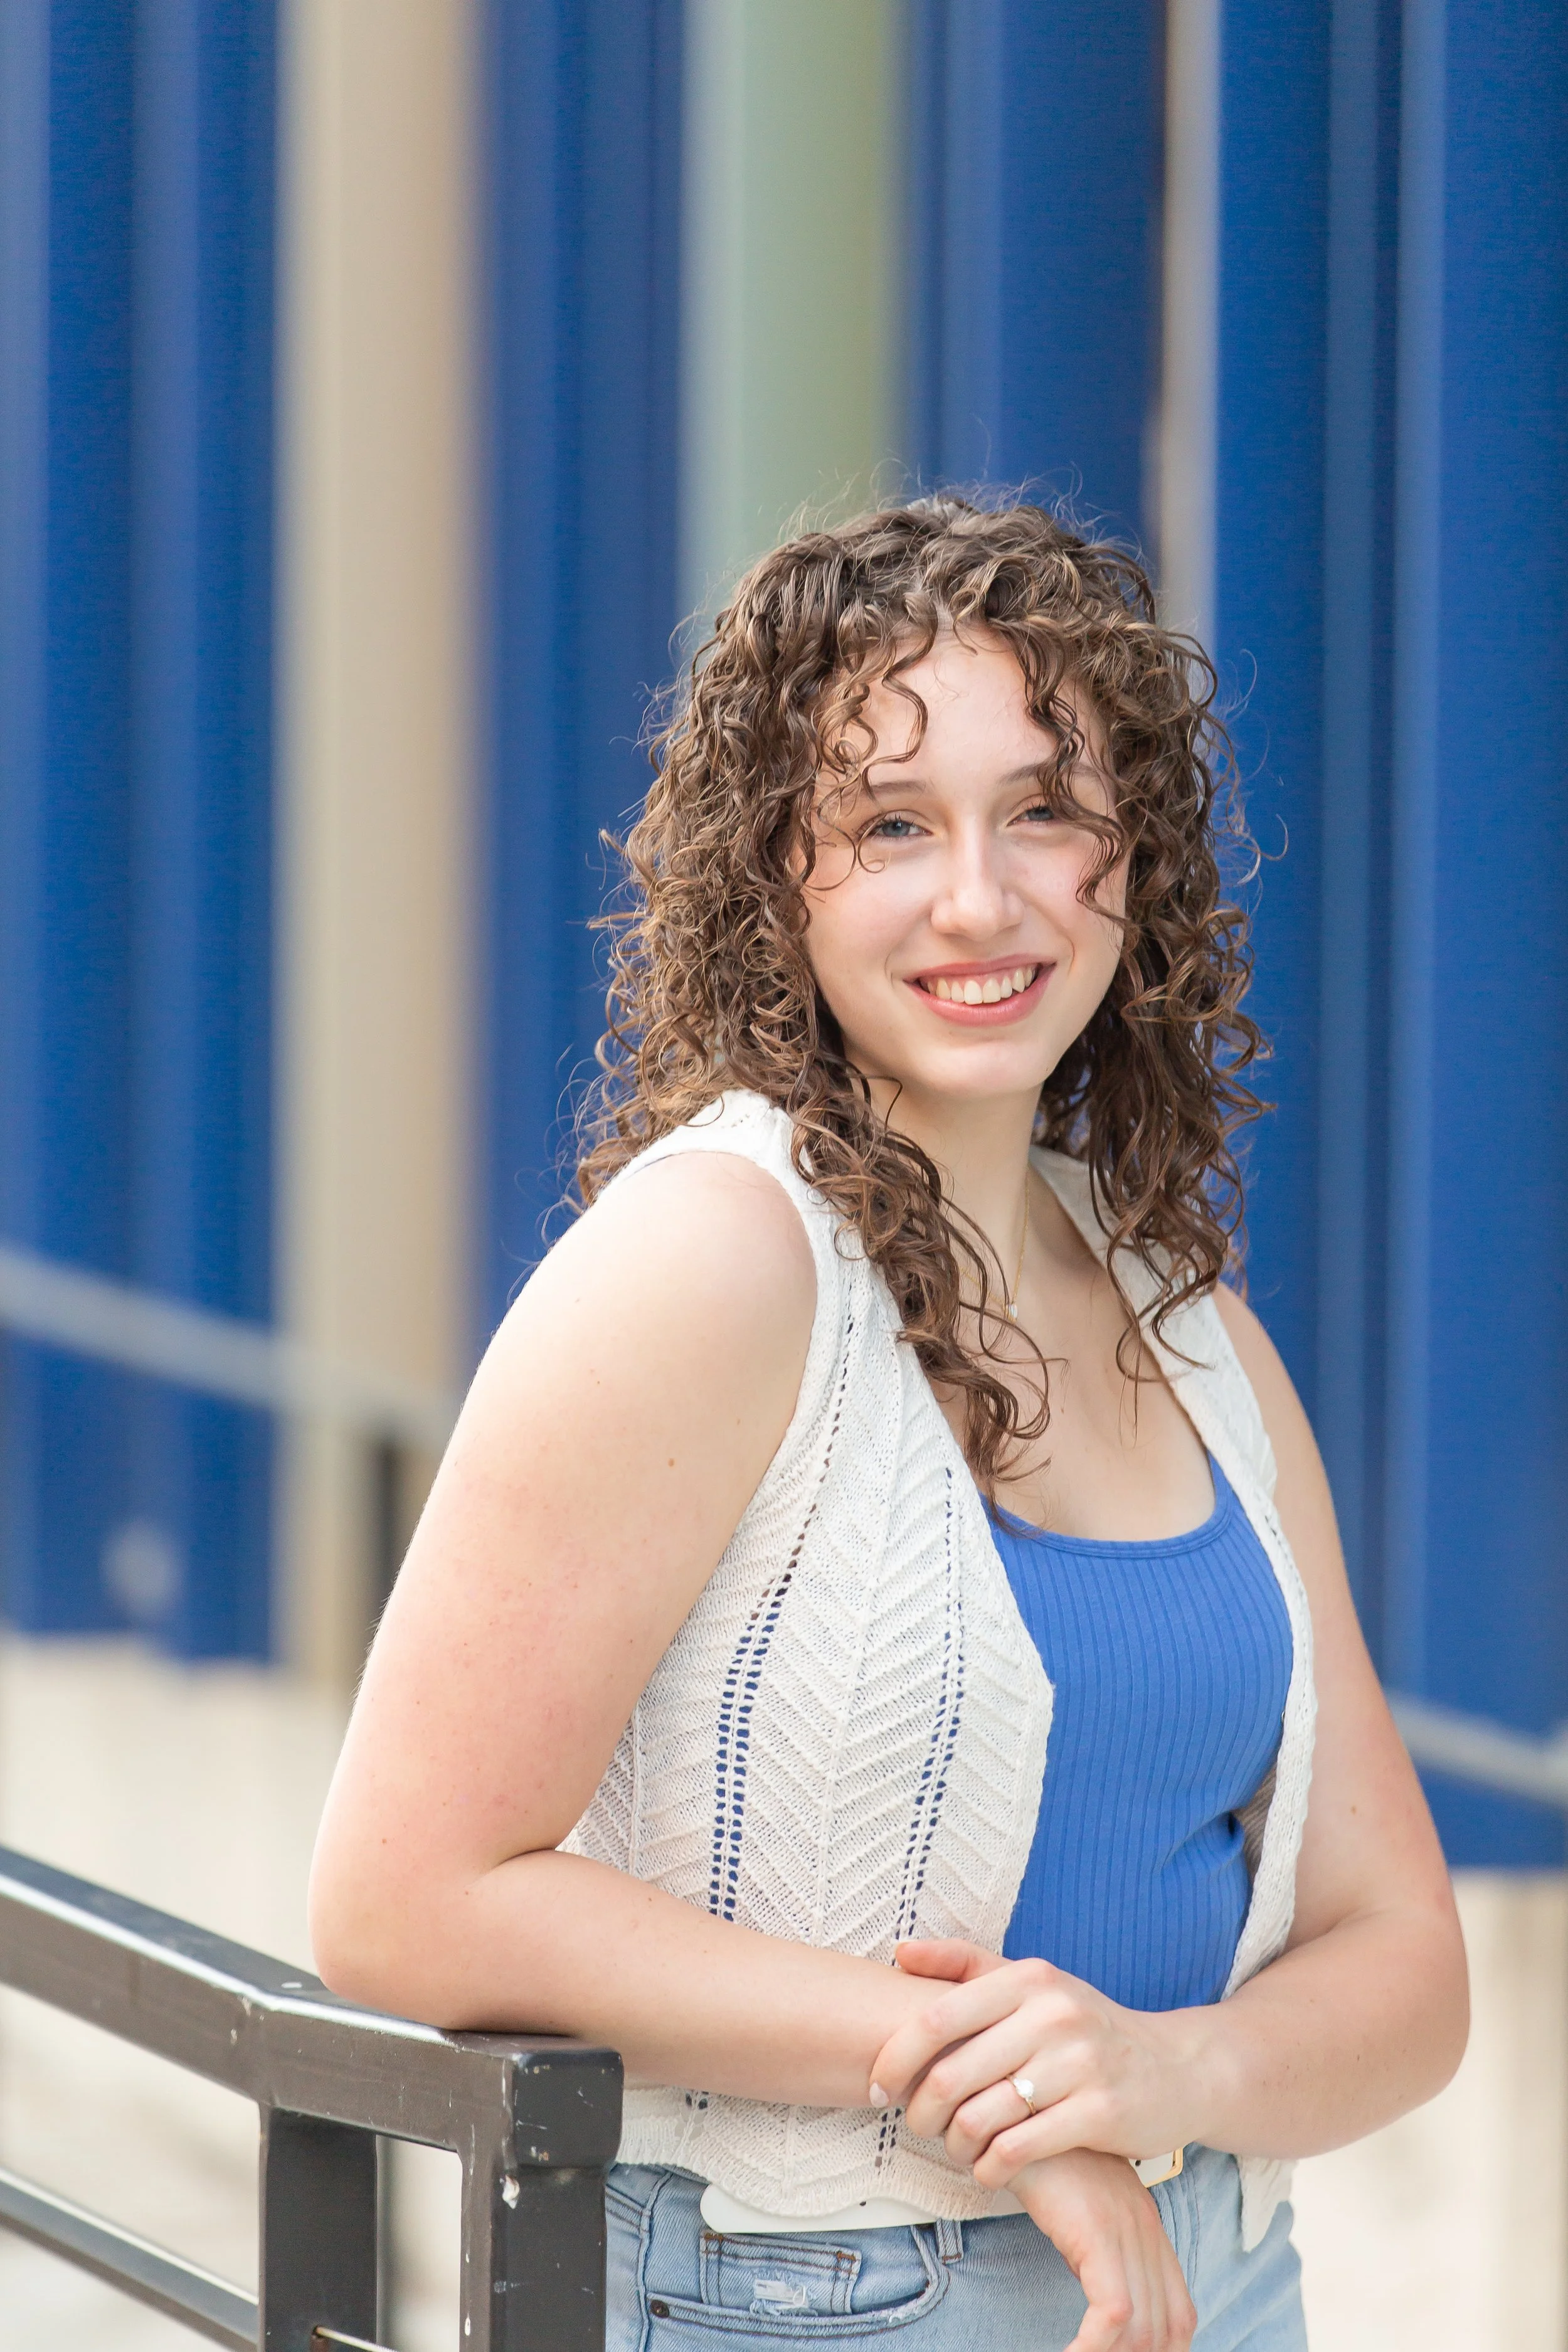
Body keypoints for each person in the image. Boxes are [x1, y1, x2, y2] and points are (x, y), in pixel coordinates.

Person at [309, 497, 1468, 2351]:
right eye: (890, 826)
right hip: (809, 2297)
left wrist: (1157, 2076)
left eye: (1045, 811)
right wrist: (972, 2074)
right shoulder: (712, 1263)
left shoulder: (1192, 1325)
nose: (978, 899)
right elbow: (405, 1897)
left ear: (1133, 863)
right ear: (781, 876)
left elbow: (1404, 1961)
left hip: (1212, 2279)